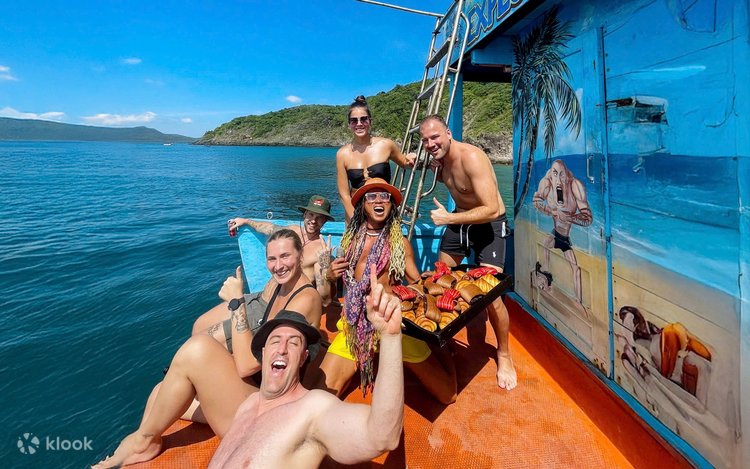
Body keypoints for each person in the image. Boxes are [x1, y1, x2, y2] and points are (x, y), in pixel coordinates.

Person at [92, 230, 322, 468]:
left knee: (197, 349)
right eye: (272, 259)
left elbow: (246, 366)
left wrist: (236, 303)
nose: (278, 266)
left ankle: (142, 443)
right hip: (256, 393)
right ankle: (147, 444)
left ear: (300, 255)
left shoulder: (305, 299)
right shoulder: (278, 286)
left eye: (285, 256)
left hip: (273, 415)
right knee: (159, 393)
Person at [209, 270, 404, 468]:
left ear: (303, 358)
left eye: (294, 343)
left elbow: (382, 437)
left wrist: (390, 336)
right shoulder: (246, 406)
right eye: (275, 341)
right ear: (264, 353)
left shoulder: (311, 408)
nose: (282, 349)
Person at [308, 178, 457, 404]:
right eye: (372, 196)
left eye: (384, 196)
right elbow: (328, 300)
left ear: (391, 204)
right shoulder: (349, 243)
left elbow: (416, 282)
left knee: (448, 395)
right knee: (320, 396)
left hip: (392, 324)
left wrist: (428, 284)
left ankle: (444, 353)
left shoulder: (399, 244)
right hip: (354, 325)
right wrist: (329, 275)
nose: (378, 200)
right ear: (363, 205)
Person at [419, 114, 517, 390]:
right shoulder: (440, 161)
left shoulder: (472, 157)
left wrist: (448, 219)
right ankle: (443, 342)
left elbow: (492, 209)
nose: (431, 143)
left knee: (490, 295)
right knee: (440, 281)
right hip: (460, 221)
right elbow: (452, 182)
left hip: (488, 226)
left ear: (448, 133)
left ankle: (504, 354)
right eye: (425, 140)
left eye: (435, 137)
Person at [221, 194, 335, 307]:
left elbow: (325, 300)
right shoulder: (292, 231)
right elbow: (269, 228)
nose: (313, 221)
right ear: (305, 214)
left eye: (319, 217)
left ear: (324, 221)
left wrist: (325, 266)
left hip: (281, 306)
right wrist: (246, 221)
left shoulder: (321, 251)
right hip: (262, 297)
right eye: (311, 215)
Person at [336, 95, 415, 221]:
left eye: (363, 119)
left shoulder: (386, 145)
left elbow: (405, 163)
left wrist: (412, 157)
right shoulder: (342, 154)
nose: (359, 124)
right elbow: (344, 194)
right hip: (356, 213)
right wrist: (356, 220)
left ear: (370, 121)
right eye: (354, 120)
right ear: (349, 124)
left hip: (383, 211)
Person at [532, 159, 593, 309]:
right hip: (555, 234)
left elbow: (588, 218)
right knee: (545, 246)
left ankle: (578, 302)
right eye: (555, 173)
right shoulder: (547, 183)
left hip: (565, 238)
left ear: (566, 175)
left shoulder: (575, 186)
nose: (558, 179)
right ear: (551, 174)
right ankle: (546, 273)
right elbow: (536, 201)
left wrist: (570, 217)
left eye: (561, 174)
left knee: (575, 269)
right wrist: (552, 211)